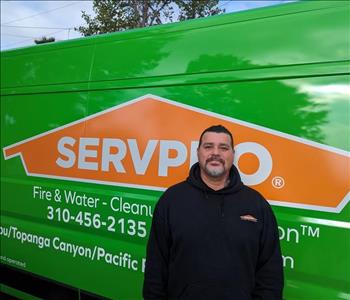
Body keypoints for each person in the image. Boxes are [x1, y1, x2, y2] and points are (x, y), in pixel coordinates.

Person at [143, 125, 284, 300]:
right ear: (198, 152)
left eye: (223, 148)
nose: (215, 153)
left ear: (233, 154)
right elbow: (156, 267)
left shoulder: (257, 205)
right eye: (208, 146)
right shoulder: (172, 199)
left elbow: (270, 274)